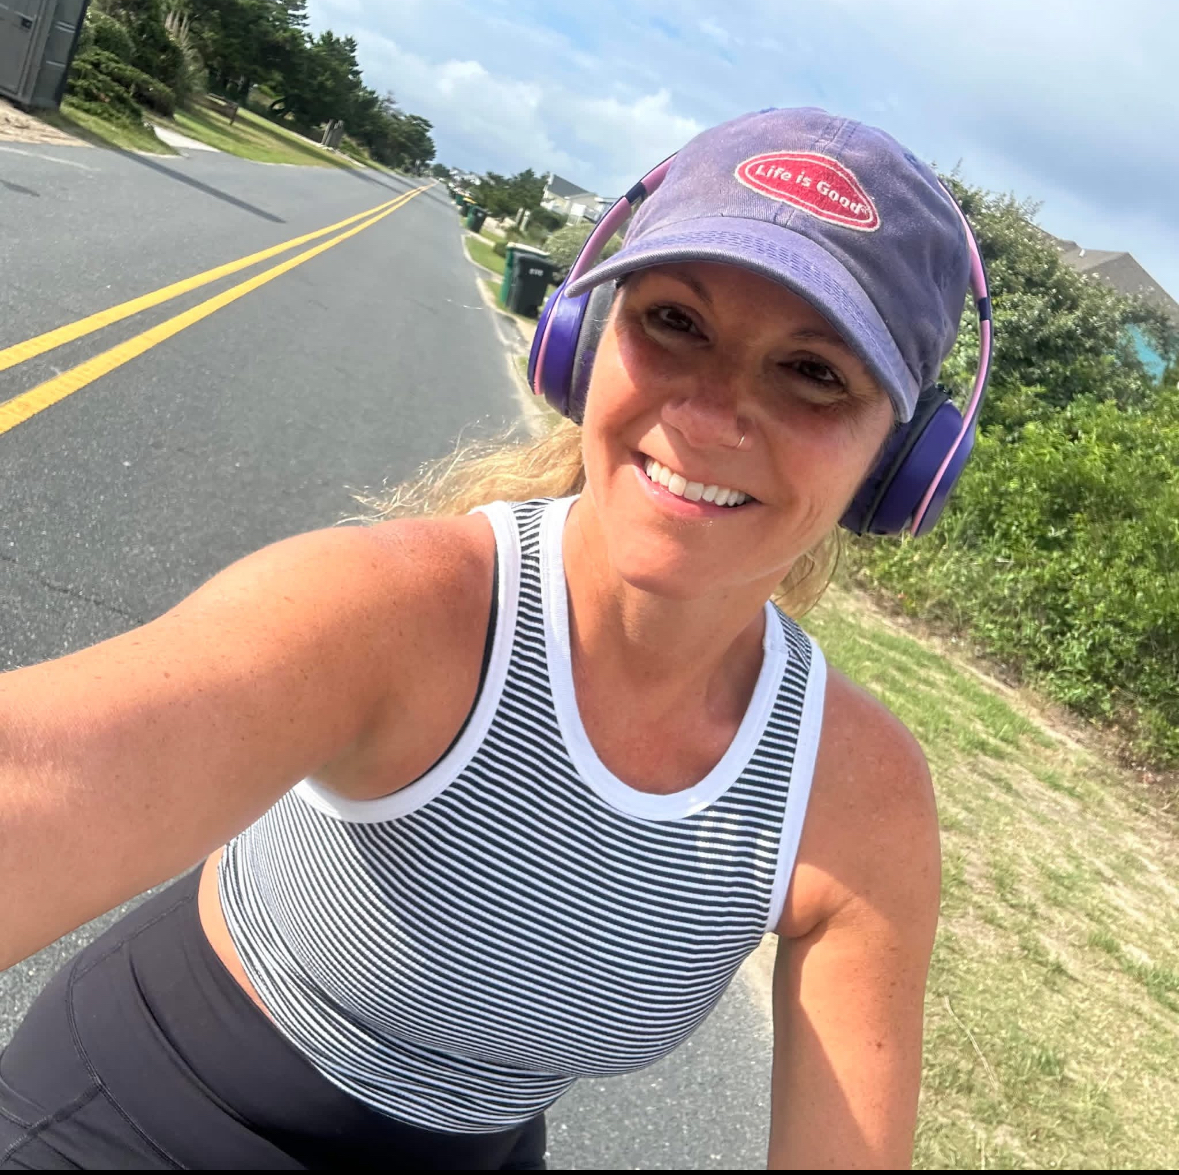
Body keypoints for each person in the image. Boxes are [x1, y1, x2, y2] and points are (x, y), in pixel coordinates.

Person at [0, 106, 988, 1170]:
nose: (709, 417)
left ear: (900, 468)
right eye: (674, 322)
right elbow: (43, 774)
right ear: (581, 342)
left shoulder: (855, 792)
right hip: (145, 1117)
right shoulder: (398, 609)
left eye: (813, 373)